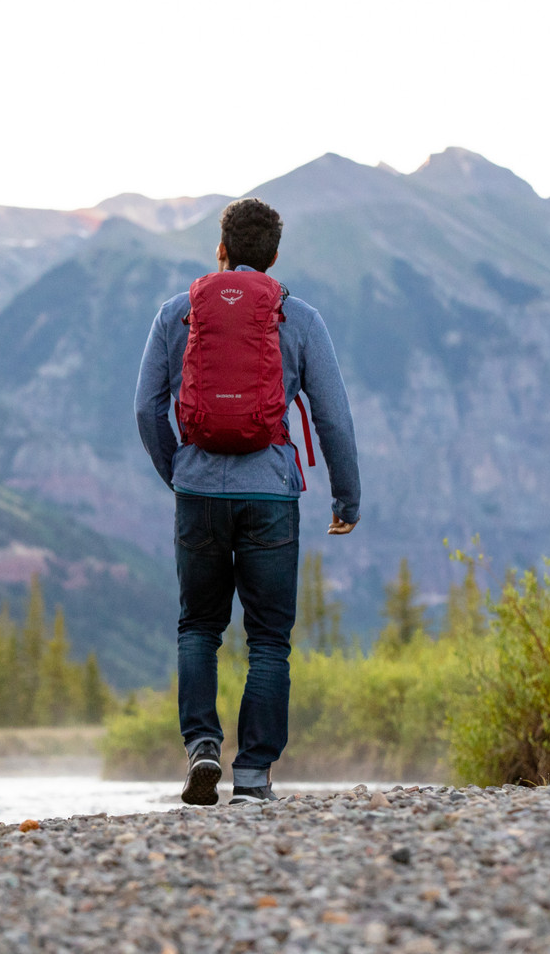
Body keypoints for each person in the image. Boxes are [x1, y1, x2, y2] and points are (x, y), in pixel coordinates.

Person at [134, 198, 361, 806]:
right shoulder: (299, 317)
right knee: (267, 639)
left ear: (221, 249)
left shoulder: (176, 313)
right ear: (276, 255)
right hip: (271, 494)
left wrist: (178, 470)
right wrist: (347, 497)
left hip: (198, 490)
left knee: (199, 626)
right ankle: (254, 774)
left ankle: (202, 747)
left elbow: (145, 407)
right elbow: (333, 417)